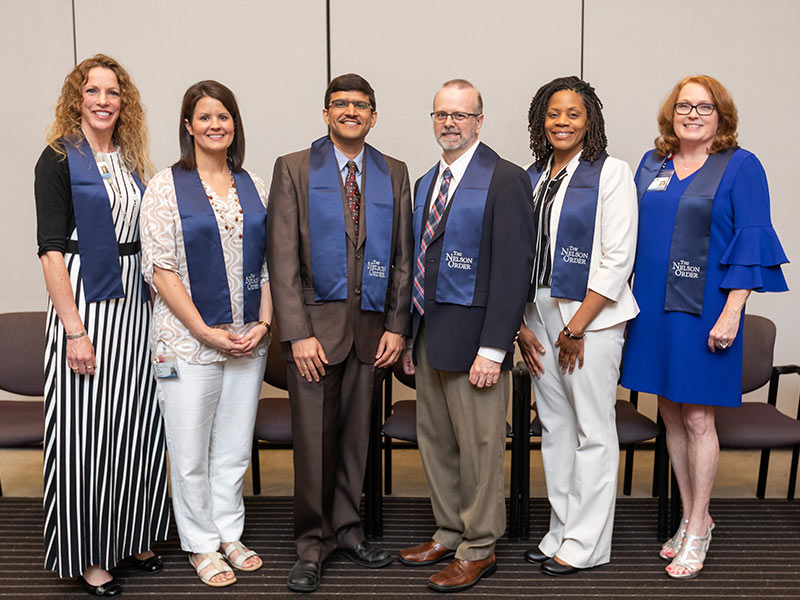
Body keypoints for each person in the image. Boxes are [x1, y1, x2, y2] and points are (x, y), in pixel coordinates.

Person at [621, 75, 788, 579]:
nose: (693, 114)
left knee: (698, 420)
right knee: (670, 415)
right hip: (652, 308)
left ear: (722, 115)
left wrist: (734, 311)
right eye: (684, 105)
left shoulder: (741, 166)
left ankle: (695, 528)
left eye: (705, 106)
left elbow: (752, 240)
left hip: (706, 313)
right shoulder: (653, 164)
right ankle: (698, 517)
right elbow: (628, 235)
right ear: (671, 112)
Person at [267, 73, 413, 593]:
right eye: (340, 104)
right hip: (314, 337)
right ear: (325, 112)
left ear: (374, 115)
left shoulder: (393, 172)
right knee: (314, 443)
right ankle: (312, 543)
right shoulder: (294, 169)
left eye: (361, 105)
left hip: (371, 332)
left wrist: (398, 327)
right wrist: (297, 334)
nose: (351, 111)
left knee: (356, 438)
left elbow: (402, 259)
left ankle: (348, 530)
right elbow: (280, 259)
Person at [35, 54, 170, 597]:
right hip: (84, 304)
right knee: (84, 435)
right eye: (93, 91)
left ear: (124, 102)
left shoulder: (131, 161)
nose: (103, 101)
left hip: (134, 306)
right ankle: (89, 556)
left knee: (134, 426)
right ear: (77, 98)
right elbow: (49, 252)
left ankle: (132, 533)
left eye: (113, 92)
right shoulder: (58, 159)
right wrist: (73, 330)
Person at [398, 79, 534, 593]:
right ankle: (449, 529)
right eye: (441, 115)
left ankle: (479, 546)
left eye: (460, 114)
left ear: (479, 120)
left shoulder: (505, 179)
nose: (449, 123)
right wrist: (412, 337)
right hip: (432, 334)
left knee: (479, 446)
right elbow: (419, 265)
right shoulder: (427, 181)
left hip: (478, 340)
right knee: (436, 442)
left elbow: (512, 271)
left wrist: (495, 348)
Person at [139, 80, 272, 588]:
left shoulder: (255, 185)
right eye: (205, 117)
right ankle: (199, 543)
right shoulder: (165, 187)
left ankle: (228, 533)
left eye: (224, 116)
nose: (215, 124)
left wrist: (263, 323)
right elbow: (162, 268)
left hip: (247, 340)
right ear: (188, 126)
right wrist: (204, 331)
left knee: (234, 446)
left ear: (234, 124)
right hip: (186, 342)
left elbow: (270, 263)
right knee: (190, 448)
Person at [517, 76, 638, 576]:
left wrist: (577, 327)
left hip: (591, 320)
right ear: (540, 122)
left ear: (590, 120)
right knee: (556, 427)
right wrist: (522, 325)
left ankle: (587, 543)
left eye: (573, 114)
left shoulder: (611, 173)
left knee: (593, 429)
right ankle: (561, 530)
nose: (562, 122)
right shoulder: (534, 176)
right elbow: (521, 255)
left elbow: (617, 259)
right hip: (539, 318)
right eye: (553, 114)